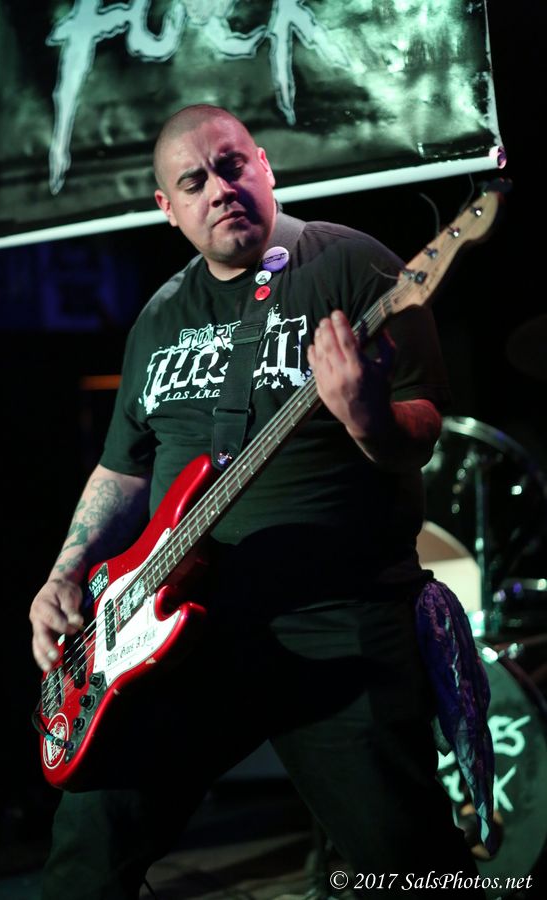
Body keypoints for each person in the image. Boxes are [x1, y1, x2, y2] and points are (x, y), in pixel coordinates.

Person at [30, 104, 487, 898]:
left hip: (333, 621)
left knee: (408, 865)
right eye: (193, 182)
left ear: (265, 166)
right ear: (167, 209)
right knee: (87, 855)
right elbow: (123, 471)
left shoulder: (353, 265)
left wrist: (369, 418)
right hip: (178, 633)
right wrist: (64, 571)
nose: (219, 188)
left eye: (232, 165)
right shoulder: (159, 316)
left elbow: (420, 428)